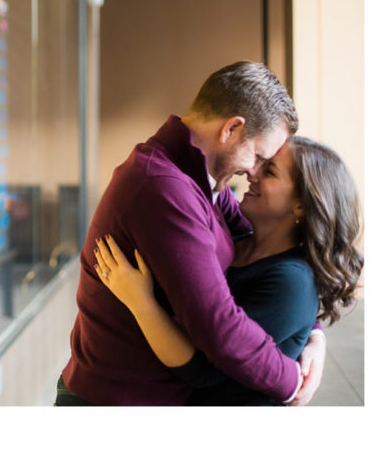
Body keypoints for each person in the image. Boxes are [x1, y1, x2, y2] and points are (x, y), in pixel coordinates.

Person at [55, 61, 327, 406]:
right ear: (231, 129)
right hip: (112, 401)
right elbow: (219, 328)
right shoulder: (165, 189)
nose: (254, 172)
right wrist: (292, 382)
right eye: (258, 156)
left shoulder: (205, 182)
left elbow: (261, 248)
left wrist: (312, 334)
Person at [94, 136, 363, 404]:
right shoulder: (236, 237)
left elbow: (202, 370)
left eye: (269, 171)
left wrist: (141, 303)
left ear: (300, 205)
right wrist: (316, 335)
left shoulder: (293, 281)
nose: (251, 172)